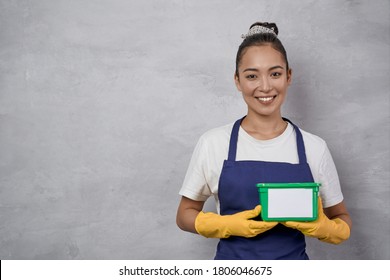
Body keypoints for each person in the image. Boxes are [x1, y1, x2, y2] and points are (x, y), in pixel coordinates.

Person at [176, 22, 352, 260]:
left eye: (275, 73)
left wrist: (326, 228)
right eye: (252, 76)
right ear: (237, 81)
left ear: (288, 77)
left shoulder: (314, 148)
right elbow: (185, 214)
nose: (265, 86)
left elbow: (342, 218)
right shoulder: (213, 143)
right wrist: (224, 225)